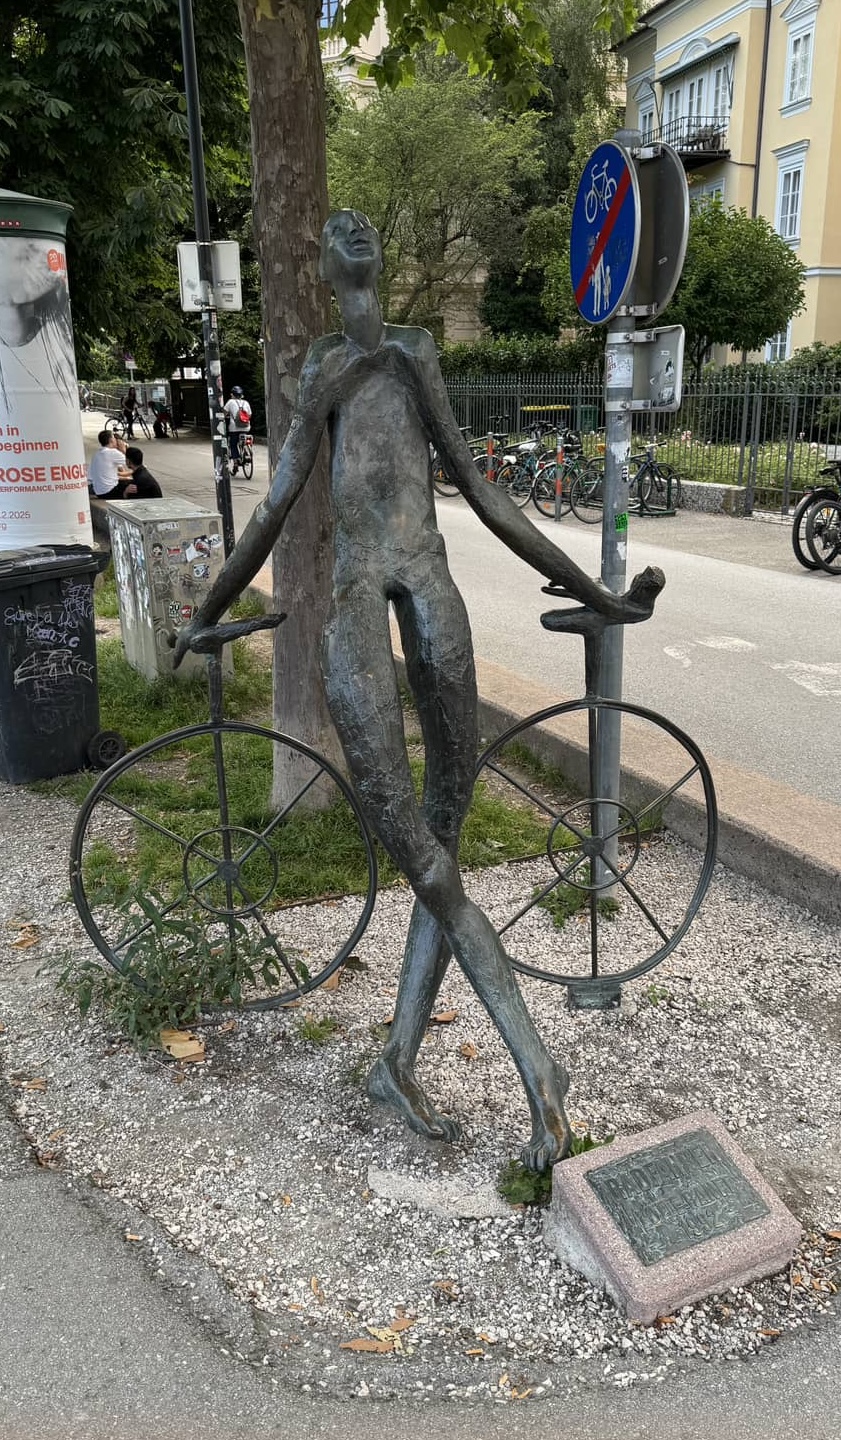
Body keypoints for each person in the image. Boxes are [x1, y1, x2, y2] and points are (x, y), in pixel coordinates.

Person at [175, 210, 664, 1172]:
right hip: (357, 593)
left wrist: (597, 592)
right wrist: (209, 608)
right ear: (323, 265)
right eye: (336, 228)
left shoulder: (415, 352)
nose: (352, 227)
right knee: (422, 853)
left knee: (441, 833)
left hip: (429, 582)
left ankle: (395, 1062)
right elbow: (276, 503)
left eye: (363, 224)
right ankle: (538, 1067)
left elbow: (482, 488)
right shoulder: (323, 365)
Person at [88, 429, 129, 498]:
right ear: (111, 440)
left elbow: (120, 472)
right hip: (108, 491)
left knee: (127, 481)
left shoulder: (98, 453)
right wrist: (123, 449)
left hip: (99, 491)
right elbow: (132, 462)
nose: (116, 440)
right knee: (134, 486)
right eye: (114, 438)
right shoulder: (112, 452)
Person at [224, 385, 251, 471]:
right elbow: (249, 415)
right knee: (245, 439)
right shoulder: (246, 403)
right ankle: (246, 450)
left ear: (232, 394)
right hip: (246, 427)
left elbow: (224, 413)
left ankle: (236, 462)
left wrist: (225, 416)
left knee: (233, 444)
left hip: (234, 428)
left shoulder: (230, 402)